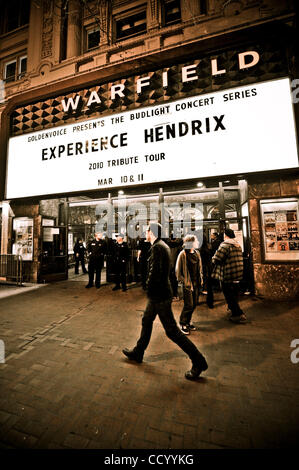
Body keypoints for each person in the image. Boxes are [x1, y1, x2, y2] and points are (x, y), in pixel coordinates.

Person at [122, 222, 208, 381]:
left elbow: (155, 272)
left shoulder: (157, 247)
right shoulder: (163, 245)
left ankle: (198, 361)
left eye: (147, 231)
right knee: (146, 320)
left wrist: (148, 286)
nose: (145, 233)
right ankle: (138, 352)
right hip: (159, 294)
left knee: (172, 331)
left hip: (159, 295)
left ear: (152, 232)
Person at [212, 228, 247, 323]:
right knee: (234, 294)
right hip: (237, 273)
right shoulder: (237, 245)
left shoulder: (225, 245)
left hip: (227, 274)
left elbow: (216, 259)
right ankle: (233, 310)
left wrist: (213, 257)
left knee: (228, 294)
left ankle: (238, 314)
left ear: (226, 236)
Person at [175, 234, 203, 334]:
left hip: (197, 283)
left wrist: (201, 279)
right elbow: (178, 271)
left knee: (194, 304)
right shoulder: (183, 254)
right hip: (187, 284)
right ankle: (182, 323)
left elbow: (200, 268)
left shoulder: (197, 253)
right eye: (196, 241)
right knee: (189, 304)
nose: (197, 243)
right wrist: (184, 281)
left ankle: (187, 321)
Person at [200, 234, 214, 308]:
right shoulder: (208, 247)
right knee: (209, 287)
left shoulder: (199, 249)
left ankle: (195, 301)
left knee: (198, 285)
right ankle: (210, 303)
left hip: (202, 268)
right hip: (208, 268)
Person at [167, 235, 183, 301]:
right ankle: (175, 295)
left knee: (169, 280)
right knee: (175, 280)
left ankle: (171, 295)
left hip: (169, 266)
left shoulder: (166, 246)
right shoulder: (179, 247)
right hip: (176, 265)